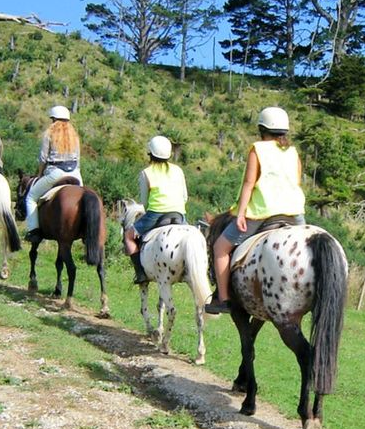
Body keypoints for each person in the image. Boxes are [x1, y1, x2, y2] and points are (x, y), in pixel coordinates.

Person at [204, 106, 305, 315]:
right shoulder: (293, 152)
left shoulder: (257, 149)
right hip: (295, 213)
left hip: (263, 212)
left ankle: (223, 299)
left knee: (220, 248)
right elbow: (296, 182)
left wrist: (240, 213)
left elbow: (249, 183)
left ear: (261, 129)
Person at [124, 135, 188, 284]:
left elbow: (144, 203)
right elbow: (185, 197)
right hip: (179, 214)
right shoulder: (178, 170)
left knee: (128, 236)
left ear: (150, 153)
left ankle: (140, 273)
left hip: (155, 214)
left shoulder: (146, 172)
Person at [24, 105, 83, 242]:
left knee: (31, 198)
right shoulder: (74, 136)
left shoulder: (49, 133)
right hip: (75, 174)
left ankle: (34, 231)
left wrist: (40, 174)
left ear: (54, 119)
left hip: (55, 173)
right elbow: (78, 160)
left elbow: (43, 158)